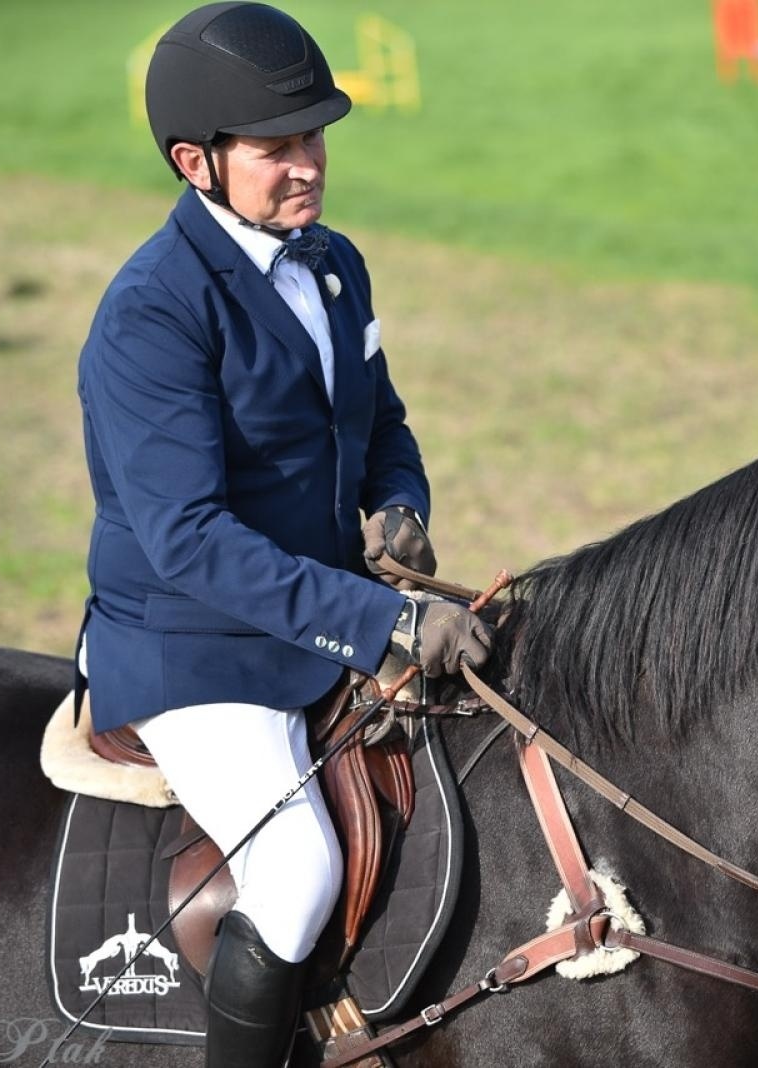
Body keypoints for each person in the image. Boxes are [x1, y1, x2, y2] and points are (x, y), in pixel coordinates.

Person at [72, 4, 492, 1064]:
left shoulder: (332, 262)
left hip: (317, 609)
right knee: (299, 872)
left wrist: (401, 501)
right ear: (195, 162)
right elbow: (189, 541)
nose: (307, 166)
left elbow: (379, 418)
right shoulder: (151, 313)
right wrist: (383, 618)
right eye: (276, 150)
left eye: (314, 139)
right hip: (194, 646)